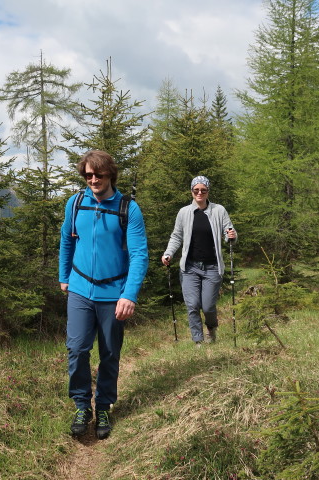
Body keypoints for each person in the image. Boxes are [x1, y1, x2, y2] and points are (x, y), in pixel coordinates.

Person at [59, 150, 148, 439]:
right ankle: (82, 405)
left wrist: (129, 294)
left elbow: (139, 254)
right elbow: (66, 241)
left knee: (110, 353)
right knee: (77, 349)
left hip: (114, 293)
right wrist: (64, 278)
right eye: (88, 175)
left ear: (110, 173)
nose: (93, 179)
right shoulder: (75, 204)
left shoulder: (128, 208)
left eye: (98, 174)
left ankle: (105, 405)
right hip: (81, 290)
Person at [161, 175, 237, 346]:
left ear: (208, 191)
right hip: (189, 267)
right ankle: (198, 340)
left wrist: (231, 236)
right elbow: (176, 236)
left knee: (208, 306)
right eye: (196, 190)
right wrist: (168, 253)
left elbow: (229, 230)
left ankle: (211, 329)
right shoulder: (184, 212)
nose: (200, 193)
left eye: (203, 190)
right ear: (191, 191)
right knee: (193, 305)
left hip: (212, 266)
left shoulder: (219, 210)